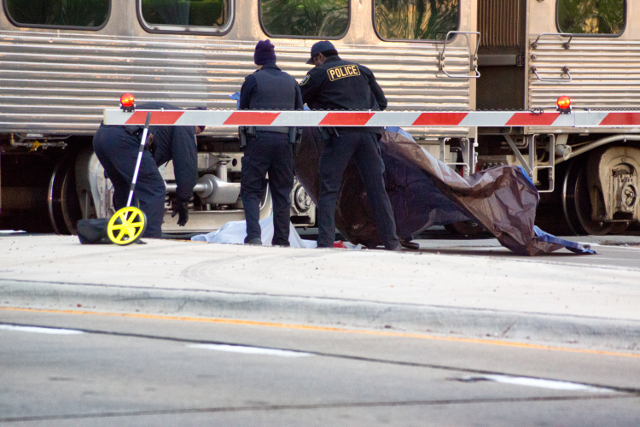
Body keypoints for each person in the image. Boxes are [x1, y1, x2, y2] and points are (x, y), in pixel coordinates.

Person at [299, 41, 401, 251]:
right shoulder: (361, 70)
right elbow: (382, 102)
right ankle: (392, 242)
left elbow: (298, 99)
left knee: (328, 191)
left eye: (315, 61)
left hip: (340, 136)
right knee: (377, 191)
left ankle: (326, 243)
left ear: (319, 57)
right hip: (368, 136)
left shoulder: (319, 73)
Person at [93, 102, 204, 239]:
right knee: (155, 190)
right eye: (197, 132)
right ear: (197, 125)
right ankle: (150, 239)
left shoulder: (168, 112)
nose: (194, 135)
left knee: (124, 189)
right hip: (125, 139)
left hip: (102, 136)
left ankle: (127, 234)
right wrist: (183, 199)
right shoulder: (186, 123)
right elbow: (186, 164)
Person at [239, 40, 303, 246]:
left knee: (251, 190)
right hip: (285, 143)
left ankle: (254, 237)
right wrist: (294, 146)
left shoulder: (252, 80)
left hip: (258, 141)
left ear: (257, 59)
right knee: (282, 193)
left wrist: (245, 144)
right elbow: (300, 117)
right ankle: (282, 240)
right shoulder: (292, 82)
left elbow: (243, 115)